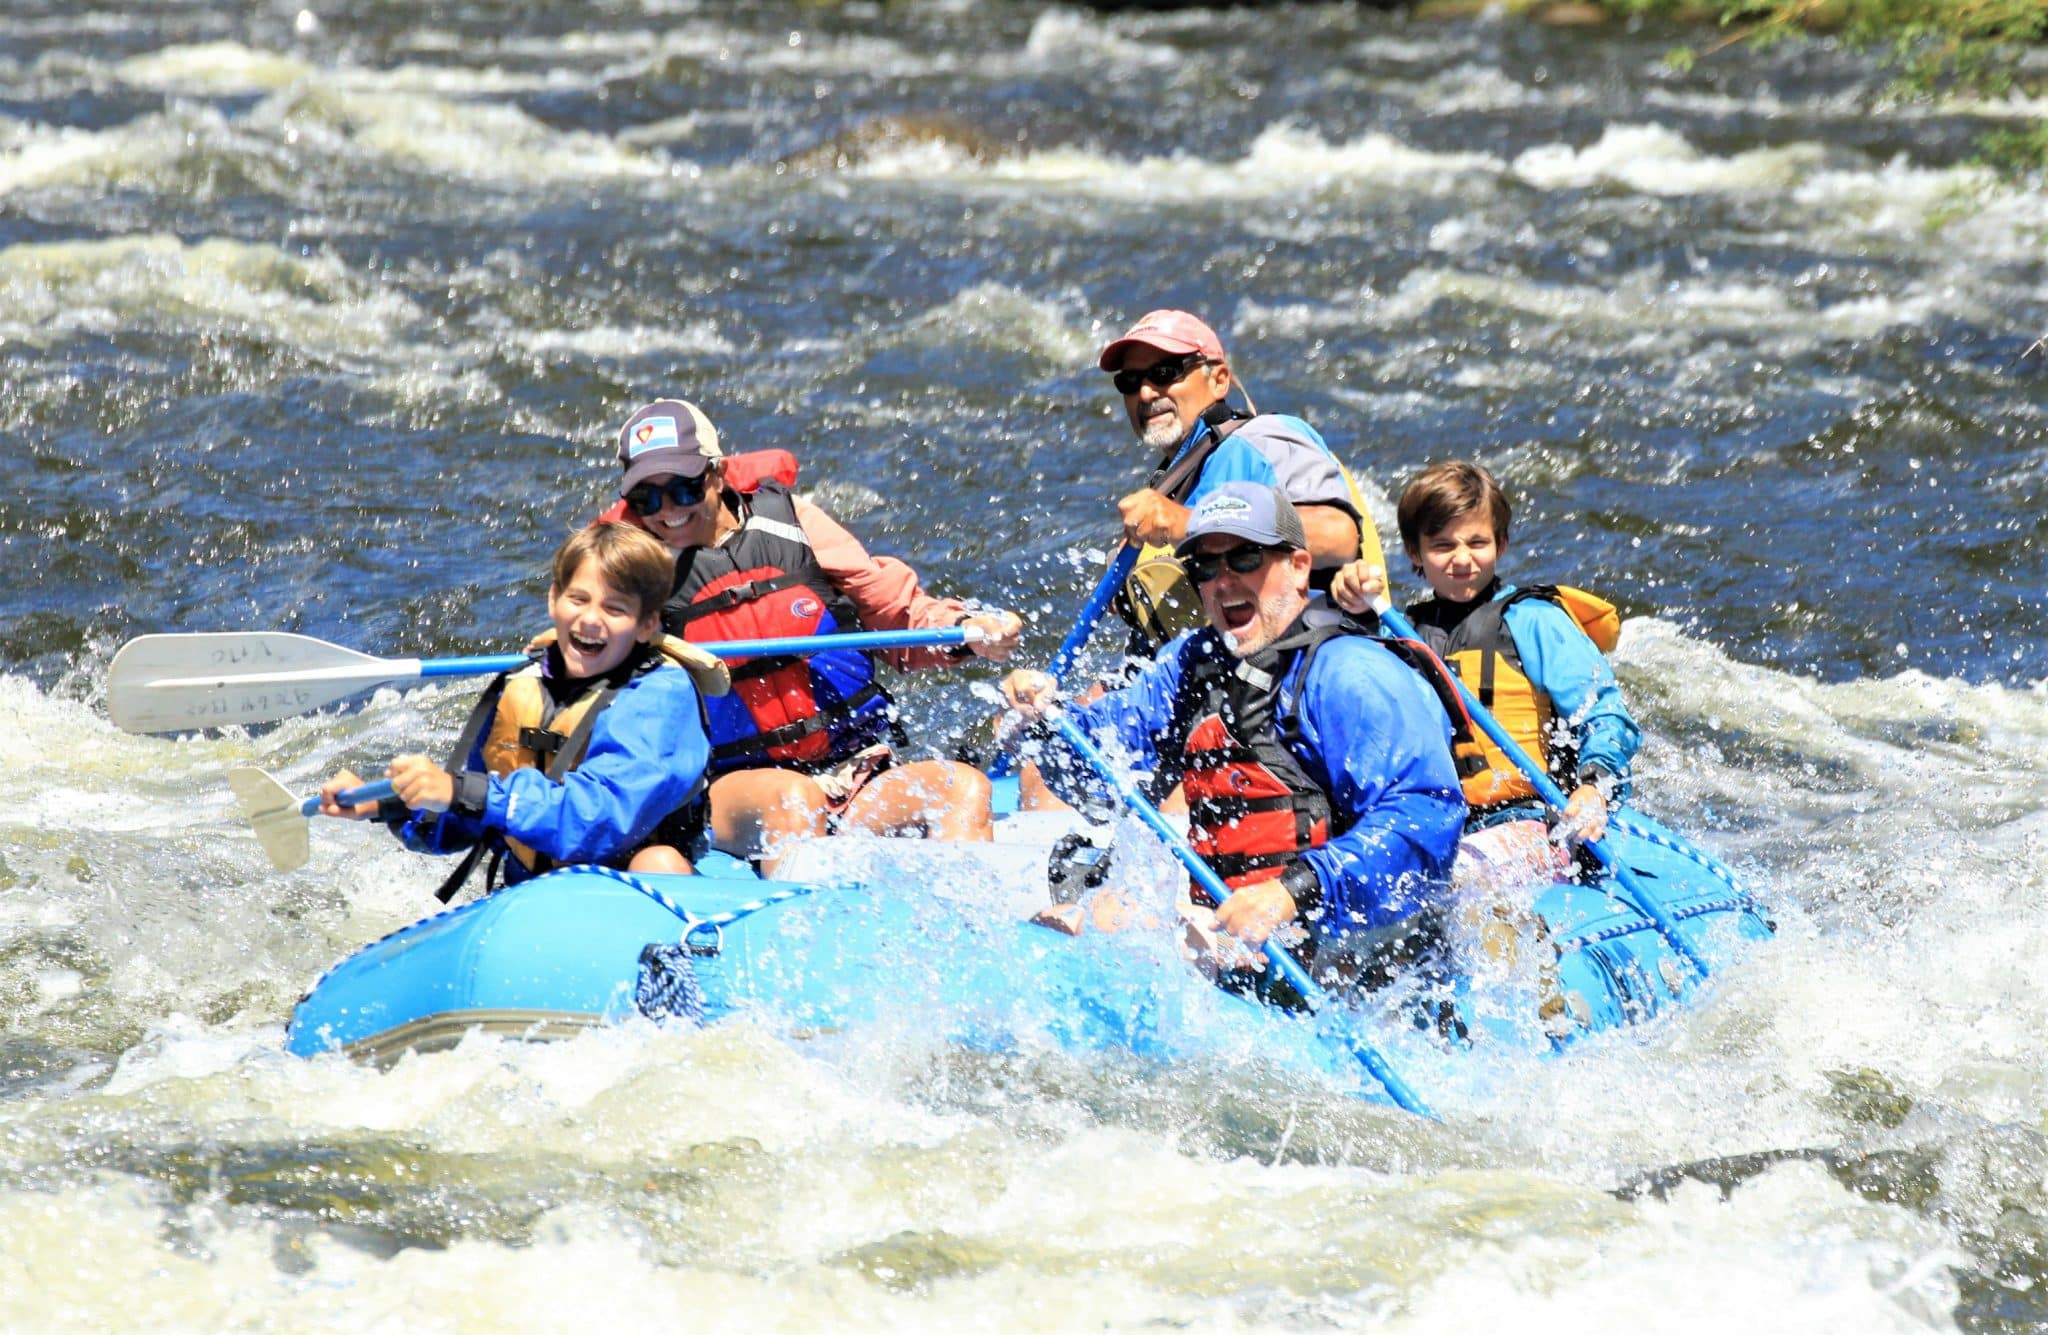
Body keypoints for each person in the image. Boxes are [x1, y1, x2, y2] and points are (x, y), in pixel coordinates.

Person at [1000, 483, 1466, 1001]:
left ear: (1298, 566)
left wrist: (1292, 893)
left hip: (1350, 940)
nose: (1223, 582)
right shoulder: (1192, 664)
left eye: (1245, 558)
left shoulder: (1351, 671)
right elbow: (1099, 771)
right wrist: (1044, 723)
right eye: (1205, 567)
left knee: (1111, 929)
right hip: (1237, 928)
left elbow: (1426, 817)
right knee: (1065, 920)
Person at [608, 397, 1024, 872]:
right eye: (647, 499)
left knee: (963, 788)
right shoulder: (631, 572)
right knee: (793, 798)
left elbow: (895, 614)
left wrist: (966, 631)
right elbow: (595, 668)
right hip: (736, 790)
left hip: (855, 770)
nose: (666, 512)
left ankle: (970, 931)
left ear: (717, 473)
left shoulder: (794, 523)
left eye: (683, 490)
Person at [320, 522, 728, 895]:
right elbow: (468, 811)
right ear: (554, 600)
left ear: (645, 624)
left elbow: (598, 818)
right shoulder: (523, 684)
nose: (590, 619)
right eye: (579, 599)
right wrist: (386, 804)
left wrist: (466, 792)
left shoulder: (659, 696)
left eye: (615, 609)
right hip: (536, 895)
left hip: (628, 888)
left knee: (658, 863)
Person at [1330, 459, 1638, 899]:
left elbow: (1605, 714)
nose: (1462, 559)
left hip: (1532, 822)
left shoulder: (1534, 621)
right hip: (1434, 826)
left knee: (1446, 887)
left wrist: (1594, 787)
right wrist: (1350, 607)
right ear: (1414, 553)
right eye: (1442, 545)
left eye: (1477, 542)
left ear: (1502, 543)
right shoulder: (1398, 634)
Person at [1095, 308, 1389, 652]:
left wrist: (1191, 525)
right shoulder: (1170, 485)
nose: (1145, 394)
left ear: (1219, 380)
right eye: (1130, 382)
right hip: (1226, 682)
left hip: (1312, 663)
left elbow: (1338, 535)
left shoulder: (1265, 440)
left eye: (1164, 373)